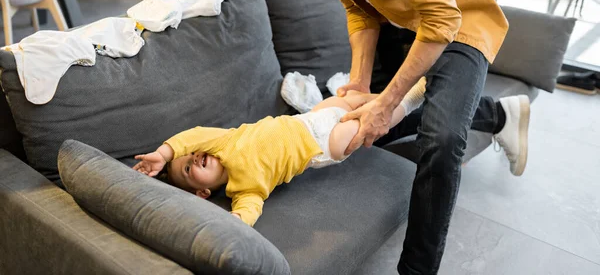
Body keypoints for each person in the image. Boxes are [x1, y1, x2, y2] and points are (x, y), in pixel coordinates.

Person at [236, 0, 525, 273]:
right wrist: (358, 83)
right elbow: (359, 9)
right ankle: (500, 115)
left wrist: (387, 102)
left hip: (459, 16)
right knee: (363, 127)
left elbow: (442, 19)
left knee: (441, 140)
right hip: (404, 17)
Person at [134, 79, 525, 227]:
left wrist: (166, 153)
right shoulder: (244, 188)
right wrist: (233, 226)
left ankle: (402, 95)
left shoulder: (220, 142)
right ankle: (409, 97)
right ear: (204, 193)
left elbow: (195, 134)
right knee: (357, 129)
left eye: (192, 156)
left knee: (350, 97)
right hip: (322, 146)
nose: (195, 160)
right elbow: (247, 214)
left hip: (309, 119)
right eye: (191, 171)